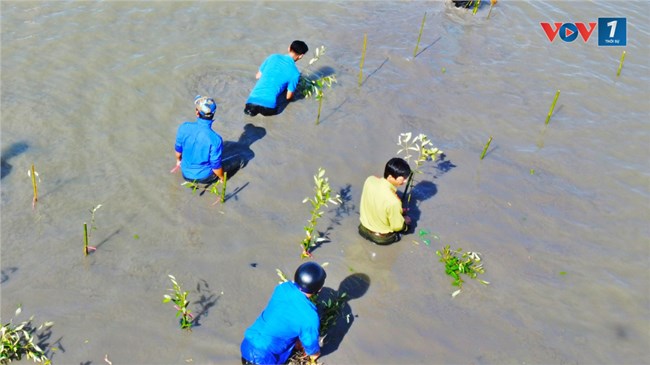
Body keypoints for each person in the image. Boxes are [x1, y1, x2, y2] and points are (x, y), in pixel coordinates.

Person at [241, 262, 326, 365]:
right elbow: (310, 346)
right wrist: (315, 354)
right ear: (319, 289)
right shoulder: (310, 317)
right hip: (264, 358)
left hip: (247, 343)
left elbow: (284, 315)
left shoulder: (282, 288)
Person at [244, 40, 309, 117]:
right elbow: (288, 97)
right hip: (268, 108)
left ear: (289, 48)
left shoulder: (273, 57)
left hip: (251, 102)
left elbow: (257, 76)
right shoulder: (295, 73)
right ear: (301, 56)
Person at [358, 157, 412, 245]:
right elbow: (397, 227)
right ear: (390, 177)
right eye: (403, 178)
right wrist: (405, 222)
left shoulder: (370, 180)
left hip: (362, 229)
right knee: (408, 227)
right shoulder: (394, 202)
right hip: (381, 238)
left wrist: (398, 211)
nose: (405, 181)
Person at [172, 95, 224, 184]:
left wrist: (178, 161)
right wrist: (222, 178)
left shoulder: (184, 127)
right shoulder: (216, 139)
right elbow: (216, 166)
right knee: (238, 158)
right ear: (213, 114)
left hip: (185, 174)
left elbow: (178, 150)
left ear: (197, 113)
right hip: (205, 177)